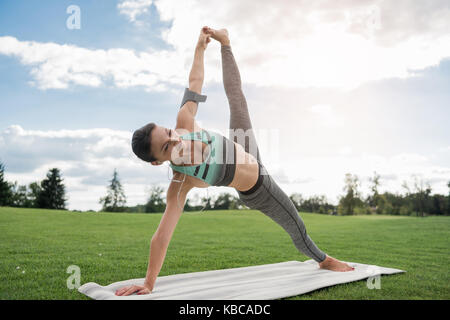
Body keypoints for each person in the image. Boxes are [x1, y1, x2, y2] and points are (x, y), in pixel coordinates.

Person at [116, 26, 354, 296]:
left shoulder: (184, 122)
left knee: (237, 98)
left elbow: (194, 80)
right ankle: (324, 260)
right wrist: (149, 283)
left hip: (245, 146)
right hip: (257, 187)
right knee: (295, 224)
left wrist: (200, 47)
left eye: (169, 133)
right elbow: (161, 236)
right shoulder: (182, 182)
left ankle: (226, 42)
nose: (176, 140)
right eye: (167, 147)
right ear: (157, 162)